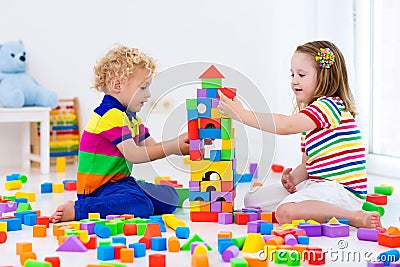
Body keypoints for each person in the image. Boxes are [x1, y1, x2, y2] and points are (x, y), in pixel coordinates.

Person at [217, 40, 381, 229]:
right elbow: (309, 163)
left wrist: (243, 115)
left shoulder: (329, 106)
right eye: (292, 74)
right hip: (319, 186)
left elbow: (286, 125)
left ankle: (355, 216)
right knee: (252, 200)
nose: (294, 80)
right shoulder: (311, 118)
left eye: (302, 74)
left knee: (285, 212)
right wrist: (294, 179)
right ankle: (316, 209)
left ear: (325, 77)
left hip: (342, 192)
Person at [50, 45, 190, 223]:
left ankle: (132, 197)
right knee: (142, 206)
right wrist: (173, 146)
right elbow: (135, 155)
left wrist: (179, 145)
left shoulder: (130, 117)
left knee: (170, 198)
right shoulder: (109, 114)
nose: (148, 95)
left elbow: (152, 147)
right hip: (98, 190)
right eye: (143, 88)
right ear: (117, 85)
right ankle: (79, 209)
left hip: (121, 183)